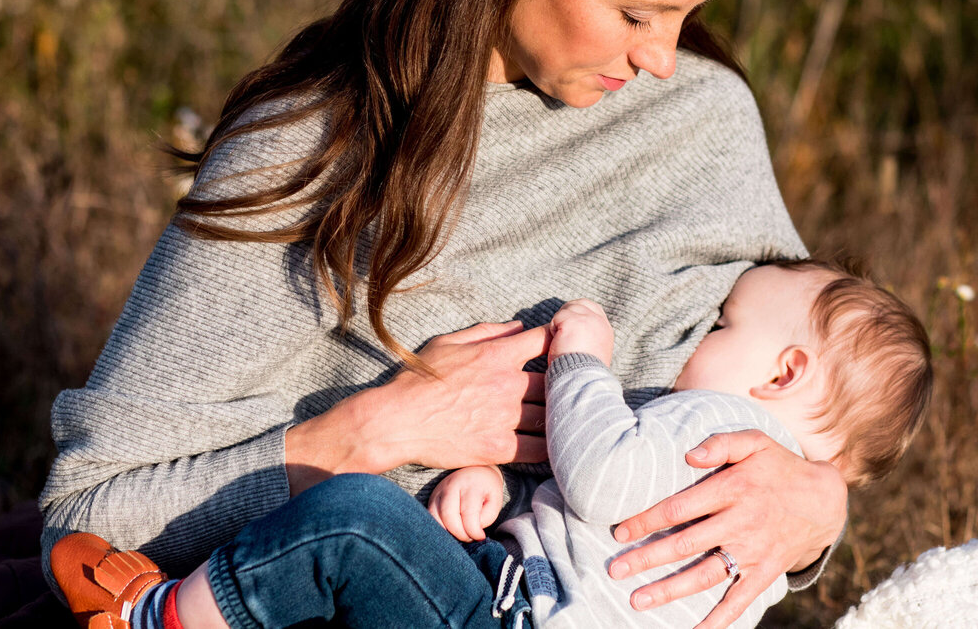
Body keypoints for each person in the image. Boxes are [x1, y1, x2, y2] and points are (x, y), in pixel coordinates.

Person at [39, 0, 849, 629]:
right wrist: (375, 434)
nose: (663, 57)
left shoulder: (707, 120)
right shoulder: (312, 153)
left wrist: (817, 504)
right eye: (634, 13)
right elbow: (89, 513)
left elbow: (824, 379)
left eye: (689, 14)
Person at [50, 260, 933, 629]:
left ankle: (158, 618)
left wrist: (584, 353)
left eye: (723, 320)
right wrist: (489, 488)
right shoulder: (769, 527)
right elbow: (603, 535)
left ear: (781, 373)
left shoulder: (722, 433)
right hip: (510, 597)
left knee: (354, 520)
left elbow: (605, 475)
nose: (703, 332)